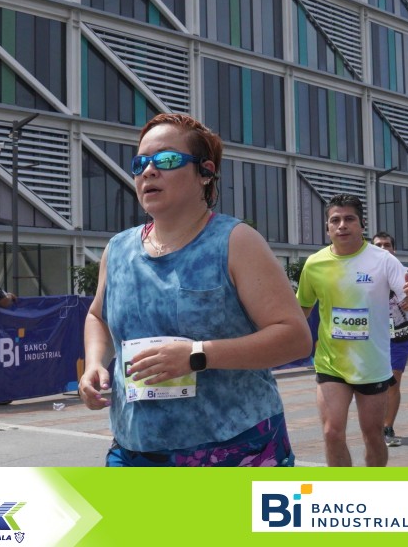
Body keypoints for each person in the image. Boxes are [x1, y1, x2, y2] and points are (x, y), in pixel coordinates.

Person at [78, 113, 312, 467]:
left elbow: (294, 338)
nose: (148, 171)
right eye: (140, 163)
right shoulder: (118, 249)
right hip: (134, 449)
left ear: (205, 172)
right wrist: (94, 363)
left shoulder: (235, 241)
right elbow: (98, 315)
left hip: (233, 449)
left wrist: (197, 355)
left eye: (166, 160)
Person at [296, 194, 408, 467]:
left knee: (373, 436)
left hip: (372, 365)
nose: (342, 225)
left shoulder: (383, 260)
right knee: (332, 433)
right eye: (335, 220)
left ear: (361, 225)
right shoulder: (314, 264)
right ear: (327, 228)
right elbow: (301, 309)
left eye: (349, 219)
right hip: (331, 363)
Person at [371, 232, 408, 447]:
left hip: (398, 335)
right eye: (378, 245)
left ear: (393, 249)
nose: (383, 248)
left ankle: (387, 427)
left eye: (387, 245)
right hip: (371, 337)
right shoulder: (363, 273)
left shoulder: (406, 273)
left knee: (392, 382)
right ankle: (373, 426)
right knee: (371, 385)